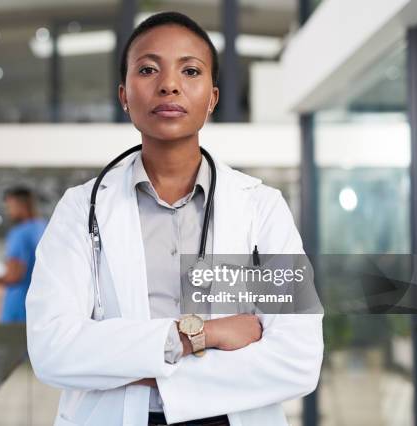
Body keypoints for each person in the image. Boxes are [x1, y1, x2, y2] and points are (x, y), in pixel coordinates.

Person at [26, 12, 324, 426]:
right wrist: (201, 335)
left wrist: (134, 366)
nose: (169, 84)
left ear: (213, 98)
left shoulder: (261, 207)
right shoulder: (80, 210)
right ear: (124, 95)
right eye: (148, 69)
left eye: (190, 70)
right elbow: (52, 349)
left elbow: (299, 357)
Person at [0, 187, 46, 322]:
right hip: (41, 308)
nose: (9, 211)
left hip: (18, 309)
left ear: (21, 205)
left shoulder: (19, 233)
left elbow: (15, 276)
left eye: (10, 206)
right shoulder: (46, 228)